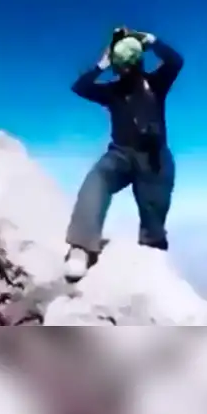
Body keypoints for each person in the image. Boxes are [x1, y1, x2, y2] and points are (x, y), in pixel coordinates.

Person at [64, 27, 185, 281]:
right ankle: (81, 246)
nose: (125, 71)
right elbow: (81, 87)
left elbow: (175, 61)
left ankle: (152, 261)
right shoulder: (113, 91)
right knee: (97, 181)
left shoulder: (156, 83)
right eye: (121, 66)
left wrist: (150, 40)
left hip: (154, 159)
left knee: (154, 223)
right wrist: (102, 63)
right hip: (120, 155)